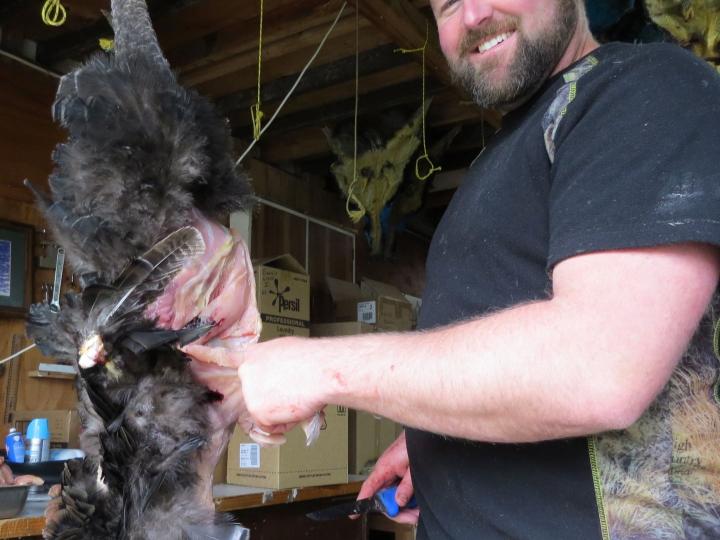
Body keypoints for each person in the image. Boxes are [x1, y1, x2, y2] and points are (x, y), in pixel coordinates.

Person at [189, 0, 720, 538]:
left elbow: (601, 367)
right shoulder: (506, 154)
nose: (472, 16)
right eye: (446, 5)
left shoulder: (645, 89)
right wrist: (442, 446)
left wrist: (321, 368)